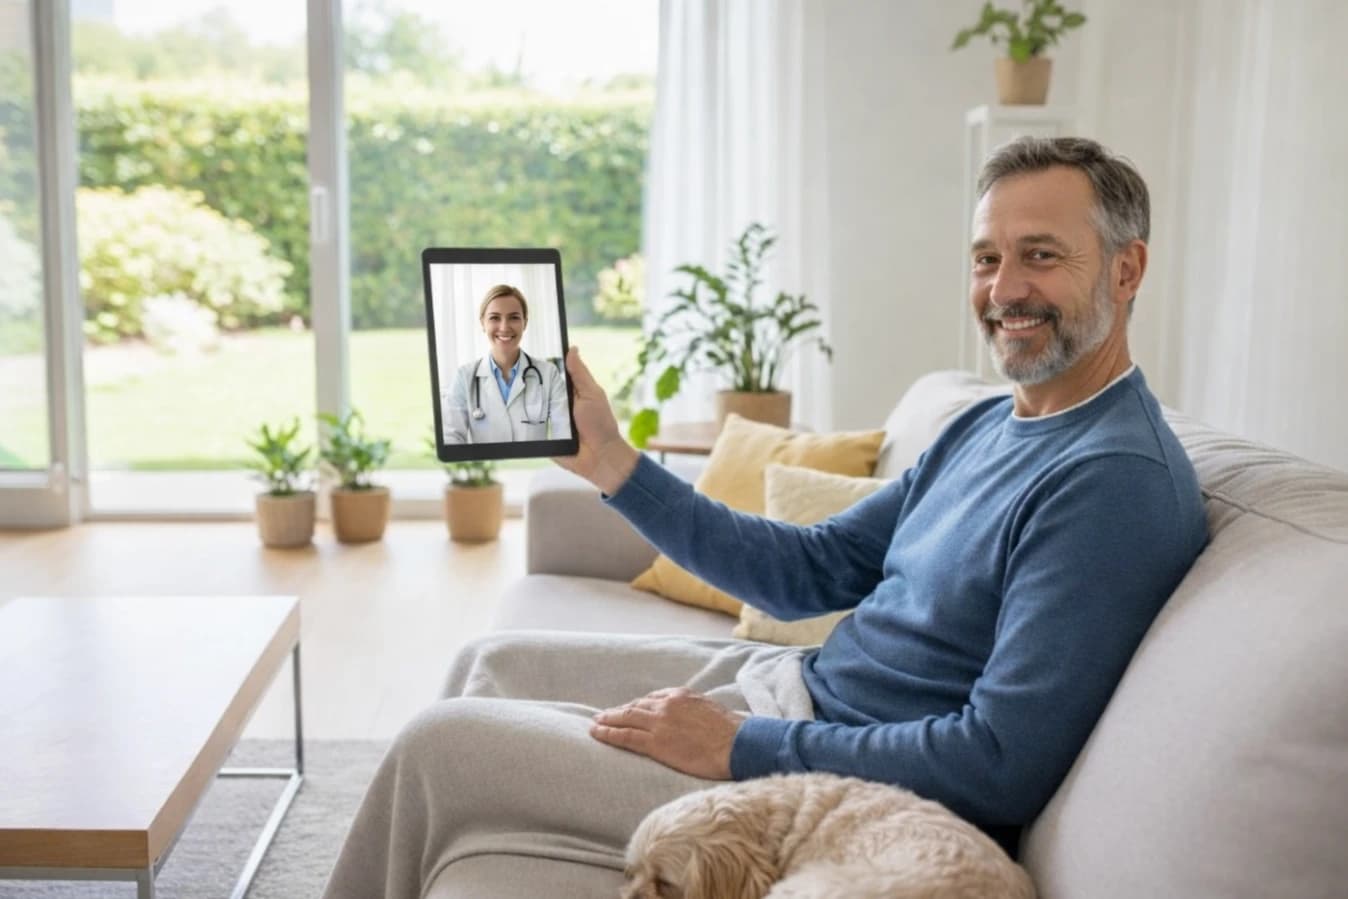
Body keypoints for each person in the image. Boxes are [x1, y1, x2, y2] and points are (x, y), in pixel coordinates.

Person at [321, 136, 1209, 899]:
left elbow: (998, 762)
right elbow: (809, 571)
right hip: (798, 695)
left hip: (842, 787)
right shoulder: (987, 419)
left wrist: (743, 746)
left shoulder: (1111, 482)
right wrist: (614, 465)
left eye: (1041, 255)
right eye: (986, 257)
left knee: (443, 745)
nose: (1004, 287)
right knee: (493, 661)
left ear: (1127, 269)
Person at [441, 284, 571, 444]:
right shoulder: (464, 376)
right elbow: (451, 437)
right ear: (482, 323)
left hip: (533, 466)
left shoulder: (548, 374)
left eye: (514, 317)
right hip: (487, 468)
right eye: (495, 318)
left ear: (525, 322)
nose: (504, 327)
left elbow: (564, 434)